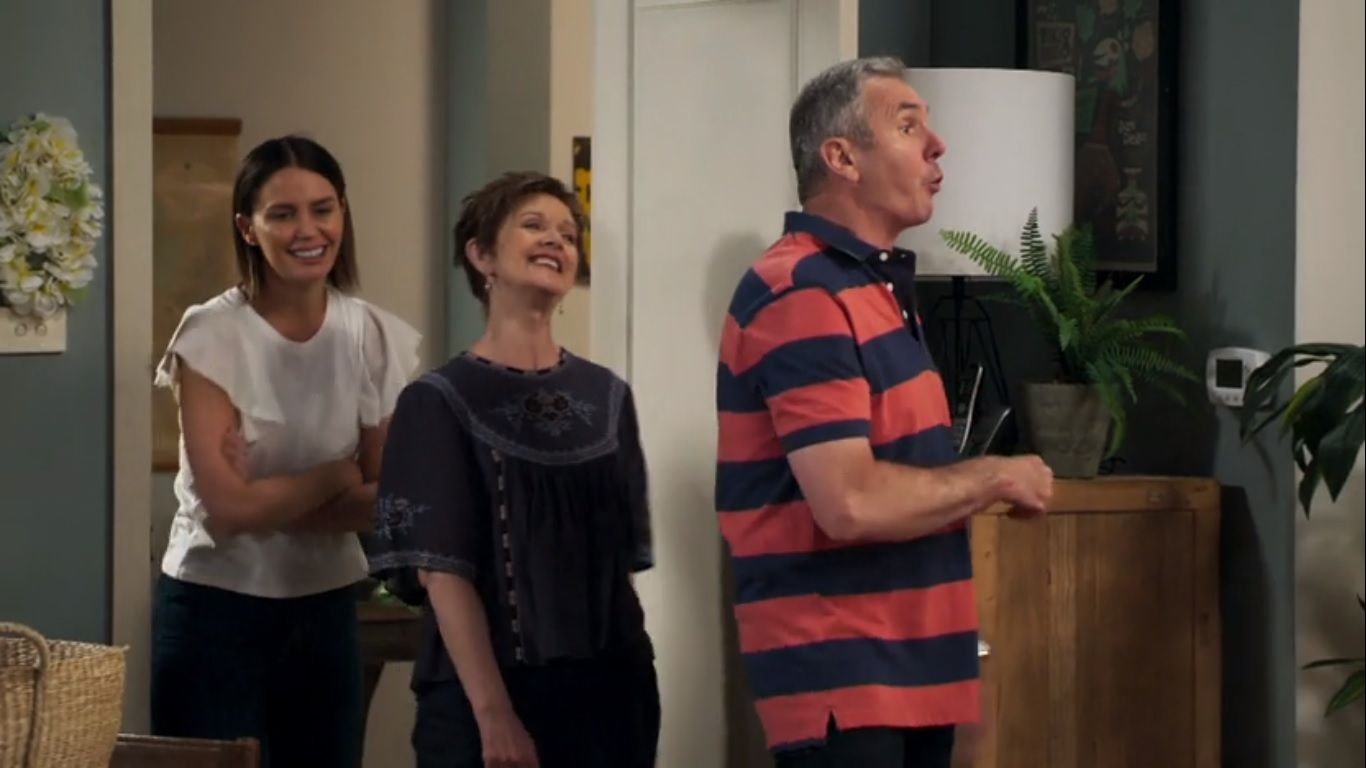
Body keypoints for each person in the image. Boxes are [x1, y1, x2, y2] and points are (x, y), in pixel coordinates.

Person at [714, 57, 1055, 767]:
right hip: (845, 674)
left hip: (908, 673)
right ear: (842, 158)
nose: (938, 144)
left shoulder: (874, 290)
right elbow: (851, 503)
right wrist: (994, 476)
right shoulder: (803, 290)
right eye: (908, 126)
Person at [367, 171, 660, 768]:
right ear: (481, 256)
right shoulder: (437, 400)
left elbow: (618, 568)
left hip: (612, 697)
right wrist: (494, 716)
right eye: (533, 226)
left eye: (568, 234)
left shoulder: (609, 396)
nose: (556, 241)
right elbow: (442, 574)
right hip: (485, 702)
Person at [151, 135, 421, 768]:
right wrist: (337, 473)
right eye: (283, 214)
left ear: (343, 214)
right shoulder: (211, 333)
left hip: (325, 605)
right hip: (213, 606)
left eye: (323, 209)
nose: (308, 230)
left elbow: (387, 499)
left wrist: (264, 499)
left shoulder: (371, 334)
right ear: (248, 228)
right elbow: (226, 512)